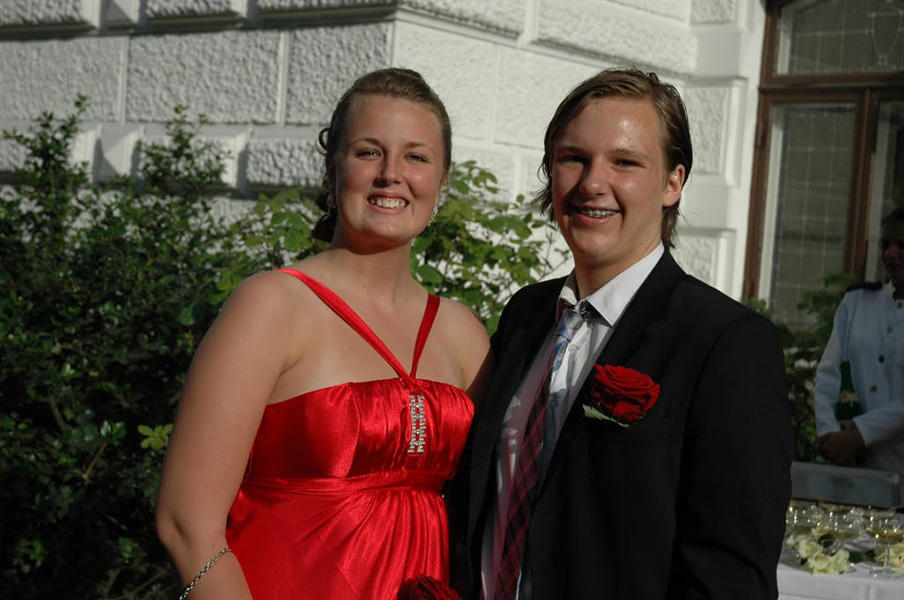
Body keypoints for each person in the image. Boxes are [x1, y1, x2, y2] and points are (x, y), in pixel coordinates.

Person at [156, 68, 490, 600]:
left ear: (441, 179)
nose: (391, 174)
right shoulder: (271, 305)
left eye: (416, 157)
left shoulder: (463, 333)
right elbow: (186, 523)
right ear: (331, 168)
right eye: (367, 152)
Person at [462, 68, 793, 599]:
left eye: (625, 162)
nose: (592, 183)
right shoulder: (525, 316)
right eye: (573, 158)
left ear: (672, 183)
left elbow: (729, 577)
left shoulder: (726, 345)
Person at [814, 207, 904, 473]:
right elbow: (828, 376)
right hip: (847, 468)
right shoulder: (857, 303)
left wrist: (859, 436)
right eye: (885, 245)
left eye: (902, 245)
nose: (891, 254)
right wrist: (831, 437)